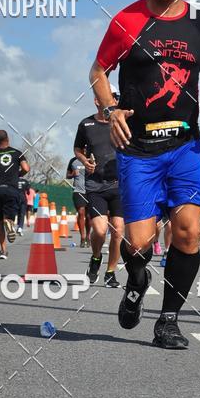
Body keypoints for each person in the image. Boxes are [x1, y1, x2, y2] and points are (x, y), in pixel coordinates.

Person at [89, 0, 200, 349]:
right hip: (138, 148)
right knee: (139, 245)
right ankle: (136, 280)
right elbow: (98, 71)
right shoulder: (125, 21)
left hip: (184, 146)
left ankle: (168, 320)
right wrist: (112, 110)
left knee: (187, 233)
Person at [73, 95, 123, 287]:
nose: (114, 102)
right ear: (96, 100)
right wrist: (84, 161)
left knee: (118, 230)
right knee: (100, 231)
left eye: (116, 98)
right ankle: (95, 258)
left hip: (118, 185)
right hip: (95, 186)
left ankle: (110, 272)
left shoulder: (120, 123)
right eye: (110, 98)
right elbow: (78, 148)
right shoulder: (86, 124)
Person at [0, 130, 30, 259]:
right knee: (8, 217)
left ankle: (3, 250)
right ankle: (9, 223)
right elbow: (26, 168)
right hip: (12, 189)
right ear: (8, 139)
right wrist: (17, 175)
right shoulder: (17, 153)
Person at [66, 156, 91, 248]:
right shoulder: (73, 161)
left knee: (89, 216)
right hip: (78, 191)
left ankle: (88, 236)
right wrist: (72, 174)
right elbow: (67, 176)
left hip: (90, 191)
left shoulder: (92, 159)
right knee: (81, 212)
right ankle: (82, 237)